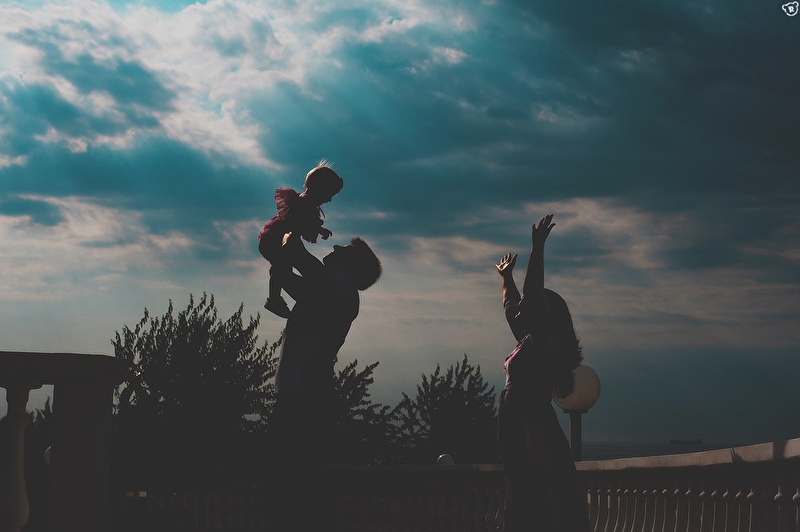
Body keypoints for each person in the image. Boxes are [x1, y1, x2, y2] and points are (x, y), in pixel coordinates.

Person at [268, 232, 382, 531]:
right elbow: (284, 271)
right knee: (297, 488)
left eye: (345, 248)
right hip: (304, 396)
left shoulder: (338, 286)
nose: (335, 246)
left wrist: (291, 225)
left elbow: (293, 253)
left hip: (302, 399)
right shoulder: (332, 290)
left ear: (352, 264)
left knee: (292, 488)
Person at [495, 214, 590, 532]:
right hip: (519, 428)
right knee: (525, 494)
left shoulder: (543, 344)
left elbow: (531, 295)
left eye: (532, 308)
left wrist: (537, 248)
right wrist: (506, 276)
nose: (525, 309)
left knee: (539, 496)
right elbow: (511, 306)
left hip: (531, 427)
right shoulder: (528, 340)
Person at [257, 161, 344, 318]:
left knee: (282, 268)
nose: (329, 200)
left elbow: (303, 223)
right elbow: (299, 223)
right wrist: (317, 229)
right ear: (320, 189)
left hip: (280, 239)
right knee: (281, 267)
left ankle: (276, 298)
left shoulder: (305, 203)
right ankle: (274, 299)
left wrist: (318, 229)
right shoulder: (305, 204)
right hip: (276, 240)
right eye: (329, 195)